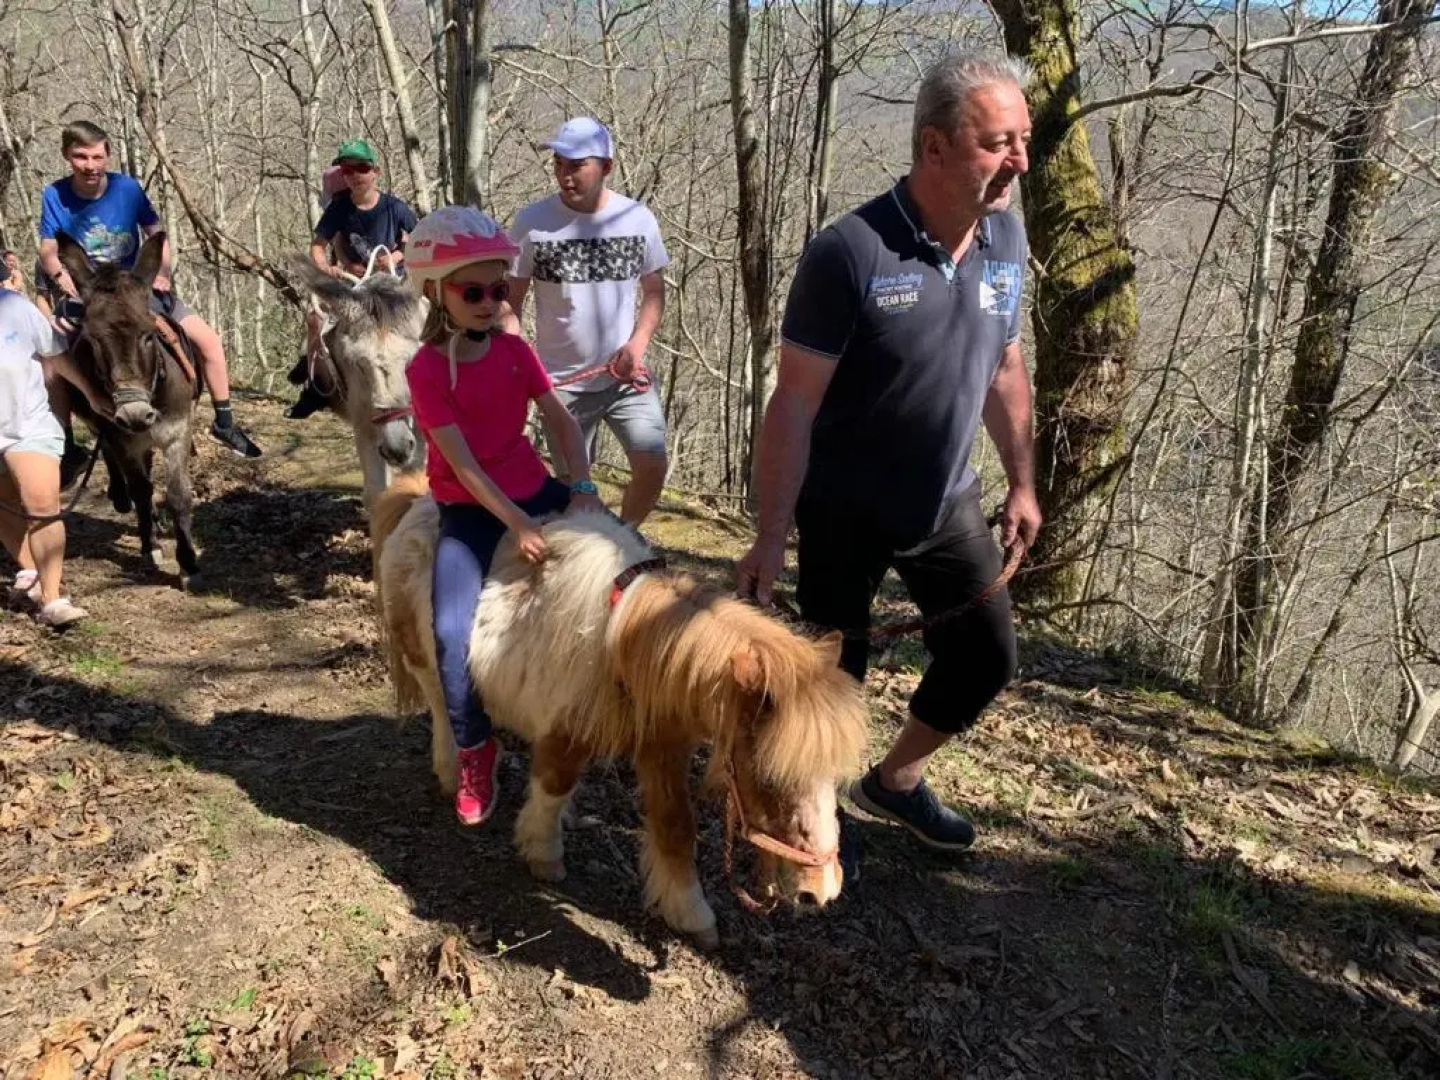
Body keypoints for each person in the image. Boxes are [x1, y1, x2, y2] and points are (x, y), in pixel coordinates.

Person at [736, 53, 1042, 852]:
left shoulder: (1007, 236)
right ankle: (808, 825)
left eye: (1024, 138)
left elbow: (1006, 366)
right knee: (836, 681)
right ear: (934, 147)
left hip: (946, 500)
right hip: (843, 508)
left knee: (985, 657)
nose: (1018, 160)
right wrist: (772, 534)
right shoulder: (850, 252)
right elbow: (794, 401)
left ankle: (894, 781)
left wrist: (1021, 482)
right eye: (997, 141)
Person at [404, 205, 605, 826]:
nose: (491, 301)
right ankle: (473, 745)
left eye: (498, 288)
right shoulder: (426, 369)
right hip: (472, 513)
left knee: (626, 570)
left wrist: (582, 483)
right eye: (474, 290)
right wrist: (516, 523)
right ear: (438, 292)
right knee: (450, 629)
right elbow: (460, 465)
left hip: (538, 489)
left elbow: (562, 423)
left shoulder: (517, 353)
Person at [35, 120, 261, 460]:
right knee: (51, 363)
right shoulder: (55, 194)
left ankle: (224, 421)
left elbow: (155, 231)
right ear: (68, 156)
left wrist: (162, 272)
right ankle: (65, 443)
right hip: (89, 291)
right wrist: (60, 277)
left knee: (209, 340)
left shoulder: (127, 188)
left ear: (107, 156)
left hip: (134, 287)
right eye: (81, 157)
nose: (90, 165)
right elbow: (49, 248)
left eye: (97, 156)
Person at [505, 117, 670, 526]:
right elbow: (510, 302)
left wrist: (636, 346)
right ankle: (590, 553)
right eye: (559, 163)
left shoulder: (637, 220)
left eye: (577, 164)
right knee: (577, 487)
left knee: (652, 464)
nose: (565, 174)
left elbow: (654, 293)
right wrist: (523, 364)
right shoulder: (531, 223)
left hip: (624, 379)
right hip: (561, 386)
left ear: (606, 167)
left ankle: (626, 537)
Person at [287, 139, 420, 421]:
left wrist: (395, 258)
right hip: (352, 286)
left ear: (375, 172)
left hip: (391, 288)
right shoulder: (339, 209)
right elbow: (317, 245)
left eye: (361, 168)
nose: (355, 176)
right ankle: (317, 385)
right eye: (348, 170)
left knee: (428, 320)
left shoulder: (394, 208)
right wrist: (327, 268)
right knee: (315, 318)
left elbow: (420, 240)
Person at [0, 288, 107, 627]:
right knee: (3, 506)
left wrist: (90, 394)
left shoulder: (15, 307)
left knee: (41, 505)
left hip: (28, 423)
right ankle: (30, 569)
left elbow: (55, 354)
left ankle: (53, 599)